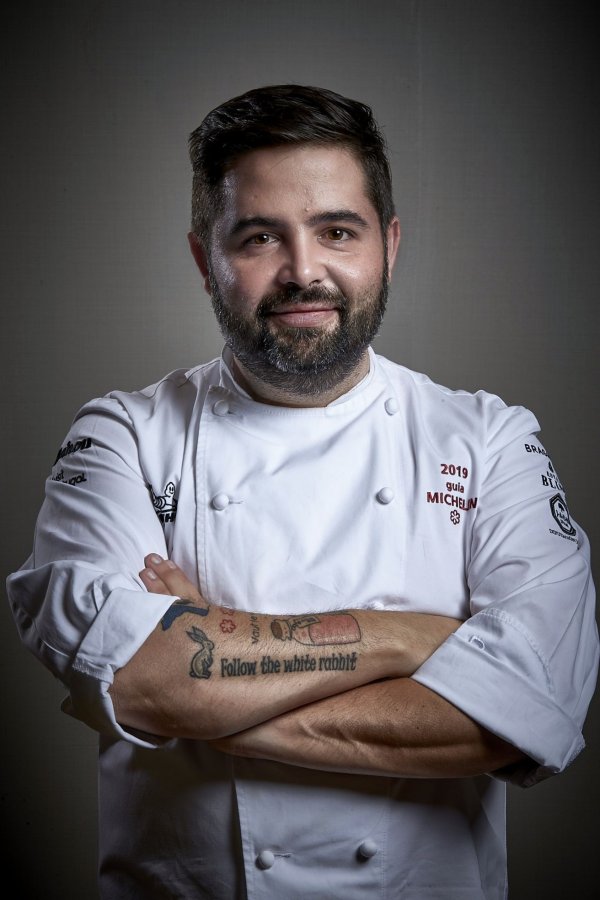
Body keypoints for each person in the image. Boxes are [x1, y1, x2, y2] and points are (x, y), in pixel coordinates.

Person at [7, 84, 598, 900]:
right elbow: (139, 676)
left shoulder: (489, 441)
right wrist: (404, 639)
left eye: (337, 232)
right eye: (259, 237)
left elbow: (527, 707)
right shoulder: (124, 437)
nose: (304, 271)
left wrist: (203, 691)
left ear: (389, 244)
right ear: (204, 260)